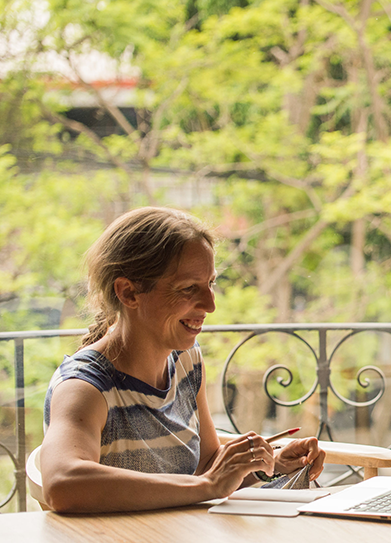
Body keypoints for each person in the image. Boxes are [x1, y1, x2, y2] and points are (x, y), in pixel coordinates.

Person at [41, 206, 325, 513]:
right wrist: (208, 486)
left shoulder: (186, 360)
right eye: (189, 288)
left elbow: (204, 465)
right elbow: (62, 482)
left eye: (210, 284)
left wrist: (267, 465)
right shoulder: (85, 386)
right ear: (129, 293)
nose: (210, 304)